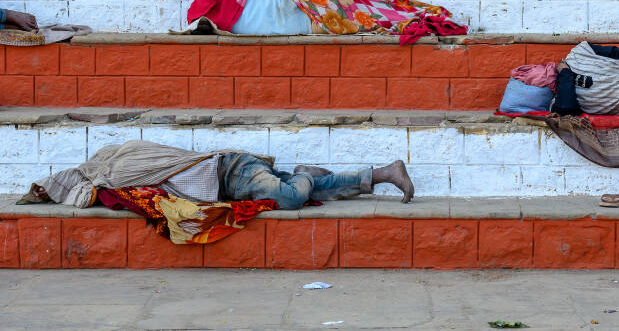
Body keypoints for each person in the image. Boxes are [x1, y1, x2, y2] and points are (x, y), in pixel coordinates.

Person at [24, 140, 414, 210]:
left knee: (293, 196)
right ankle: (384, 173)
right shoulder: (117, 172)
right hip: (231, 180)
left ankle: (303, 173)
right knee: (314, 190)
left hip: (231, 171)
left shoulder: (120, 167)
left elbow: (86, 188)